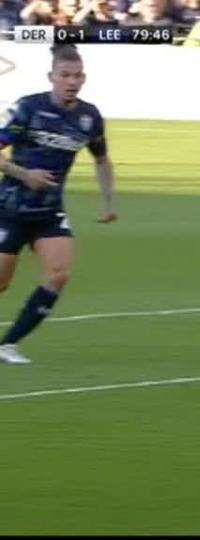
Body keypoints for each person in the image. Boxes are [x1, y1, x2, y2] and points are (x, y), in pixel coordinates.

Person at [0, 45, 117, 365]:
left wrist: (108, 201)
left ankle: (8, 344)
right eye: (65, 75)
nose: (72, 81)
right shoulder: (28, 109)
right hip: (10, 207)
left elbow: (102, 160)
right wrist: (25, 174)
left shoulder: (88, 117)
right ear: (51, 77)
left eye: (77, 76)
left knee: (58, 274)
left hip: (49, 212)